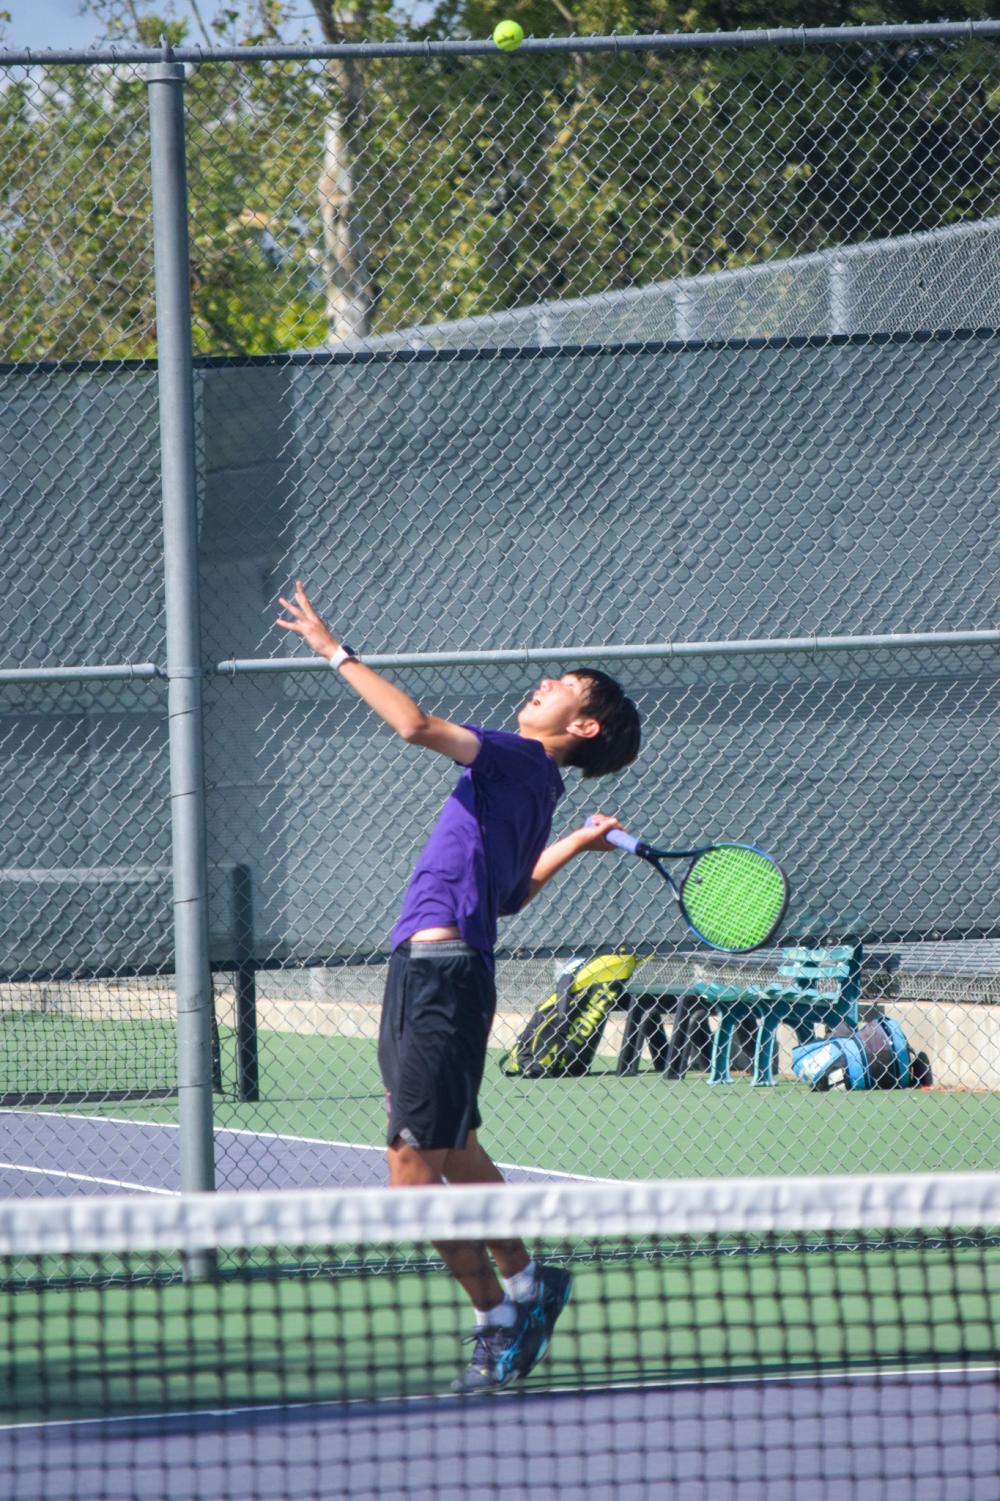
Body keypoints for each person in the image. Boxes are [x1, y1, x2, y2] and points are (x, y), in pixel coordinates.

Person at [277, 581, 642, 1393]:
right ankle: (526, 1280)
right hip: (430, 968)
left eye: (564, 687)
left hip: (443, 976)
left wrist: (334, 649)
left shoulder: (521, 760)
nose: (542, 684)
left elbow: (411, 725)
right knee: (457, 1147)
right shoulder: (541, 790)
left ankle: (496, 1317)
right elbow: (510, 895)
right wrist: (582, 841)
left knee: (410, 1166)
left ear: (581, 727)